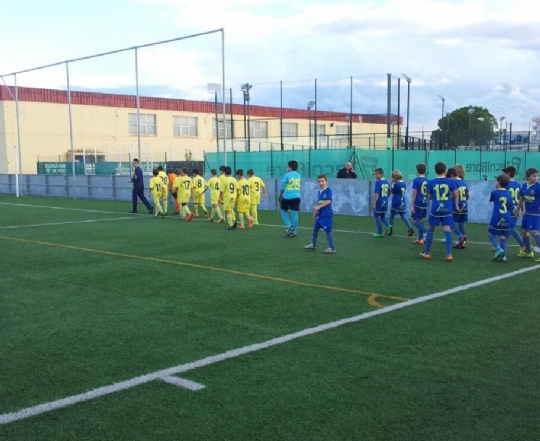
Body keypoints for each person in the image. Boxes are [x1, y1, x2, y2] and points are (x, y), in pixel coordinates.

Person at [419, 162, 463, 262]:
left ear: (436, 171)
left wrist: (428, 194)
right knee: (447, 230)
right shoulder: (450, 181)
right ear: (445, 171)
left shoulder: (432, 182)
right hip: (447, 209)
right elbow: (456, 194)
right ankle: (448, 254)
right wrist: (452, 200)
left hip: (436, 209)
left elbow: (429, 197)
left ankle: (427, 253)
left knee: (430, 230)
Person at [304, 174, 336, 254]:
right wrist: (316, 213)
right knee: (315, 231)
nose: (321, 183)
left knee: (327, 232)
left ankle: (332, 248)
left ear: (326, 181)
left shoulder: (328, 190)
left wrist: (318, 207)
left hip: (327, 215)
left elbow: (329, 201)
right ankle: (313, 245)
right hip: (320, 216)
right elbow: (319, 203)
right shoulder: (319, 192)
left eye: (322, 181)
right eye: (319, 181)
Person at [488, 175, 513, 262]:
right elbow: (510, 206)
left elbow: (491, 200)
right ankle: (503, 257)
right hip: (507, 216)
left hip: (497, 216)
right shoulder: (509, 193)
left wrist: (496, 189)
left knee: (490, 233)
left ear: (498, 182)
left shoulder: (494, 193)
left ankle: (498, 249)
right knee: (503, 236)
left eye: (496, 181)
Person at [516, 167, 540, 260]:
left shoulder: (538, 187)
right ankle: (528, 252)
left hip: (535, 213)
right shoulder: (524, 186)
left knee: (534, 232)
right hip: (527, 213)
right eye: (533, 176)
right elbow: (521, 198)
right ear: (528, 177)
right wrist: (518, 210)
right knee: (524, 231)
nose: (536, 177)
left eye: (537, 176)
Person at [502, 166, 526, 252]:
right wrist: (522, 209)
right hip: (516, 209)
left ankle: (523, 245)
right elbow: (521, 198)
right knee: (505, 227)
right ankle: (501, 244)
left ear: (508, 174)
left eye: (504, 173)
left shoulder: (506, 184)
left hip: (509, 209)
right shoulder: (517, 184)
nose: (503, 175)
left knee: (510, 228)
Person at [279, 160, 301, 237]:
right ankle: (294, 232)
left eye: (287, 166)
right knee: (294, 214)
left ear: (290, 167)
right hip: (297, 196)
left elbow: (282, 187)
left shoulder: (287, 175)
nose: (287, 168)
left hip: (288, 196)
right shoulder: (298, 175)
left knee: (282, 210)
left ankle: (289, 225)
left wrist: (280, 194)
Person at [389, 170, 414, 237]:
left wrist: (391, 184)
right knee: (403, 216)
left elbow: (392, 192)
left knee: (392, 216)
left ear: (395, 177)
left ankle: (390, 230)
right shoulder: (404, 183)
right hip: (402, 201)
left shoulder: (396, 184)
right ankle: (410, 229)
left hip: (396, 202)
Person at [451, 164, 469, 248]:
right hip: (464, 205)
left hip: (456, 205)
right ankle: (462, 242)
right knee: (461, 223)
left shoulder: (454, 182)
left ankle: (460, 236)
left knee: (449, 222)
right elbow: (468, 195)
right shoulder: (463, 182)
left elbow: (454, 194)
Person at [410, 163, 428, 245]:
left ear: (417, 171)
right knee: (421, 219)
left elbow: (415, 192)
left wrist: (412, 204)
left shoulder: (416, 180)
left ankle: (426, 232)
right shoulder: (428, 180)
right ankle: (420, 239)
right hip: (425, 202)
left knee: (413, 219)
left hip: (418, 202)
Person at [372, 168, 391, 238]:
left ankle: (379, 232)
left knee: (377, 217)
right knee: (382, 216)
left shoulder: (378, 182)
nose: (375, 176)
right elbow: (389, 193)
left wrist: (374, 203)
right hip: (385, 201)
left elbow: (377, 194)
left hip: (379, 201)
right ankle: (389, 226)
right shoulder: (386, 182)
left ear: (380, 174)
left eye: (376, 174)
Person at [220, 166, 238, 230]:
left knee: (228, 211)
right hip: (234, 196)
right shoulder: (234, 179)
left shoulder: (224, 179)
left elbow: (221, 190)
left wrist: (220, 197)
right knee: (231, 209)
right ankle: (234, 220)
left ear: (224, 172)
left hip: (228, 196)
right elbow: (237, 188)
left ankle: (230, 225)